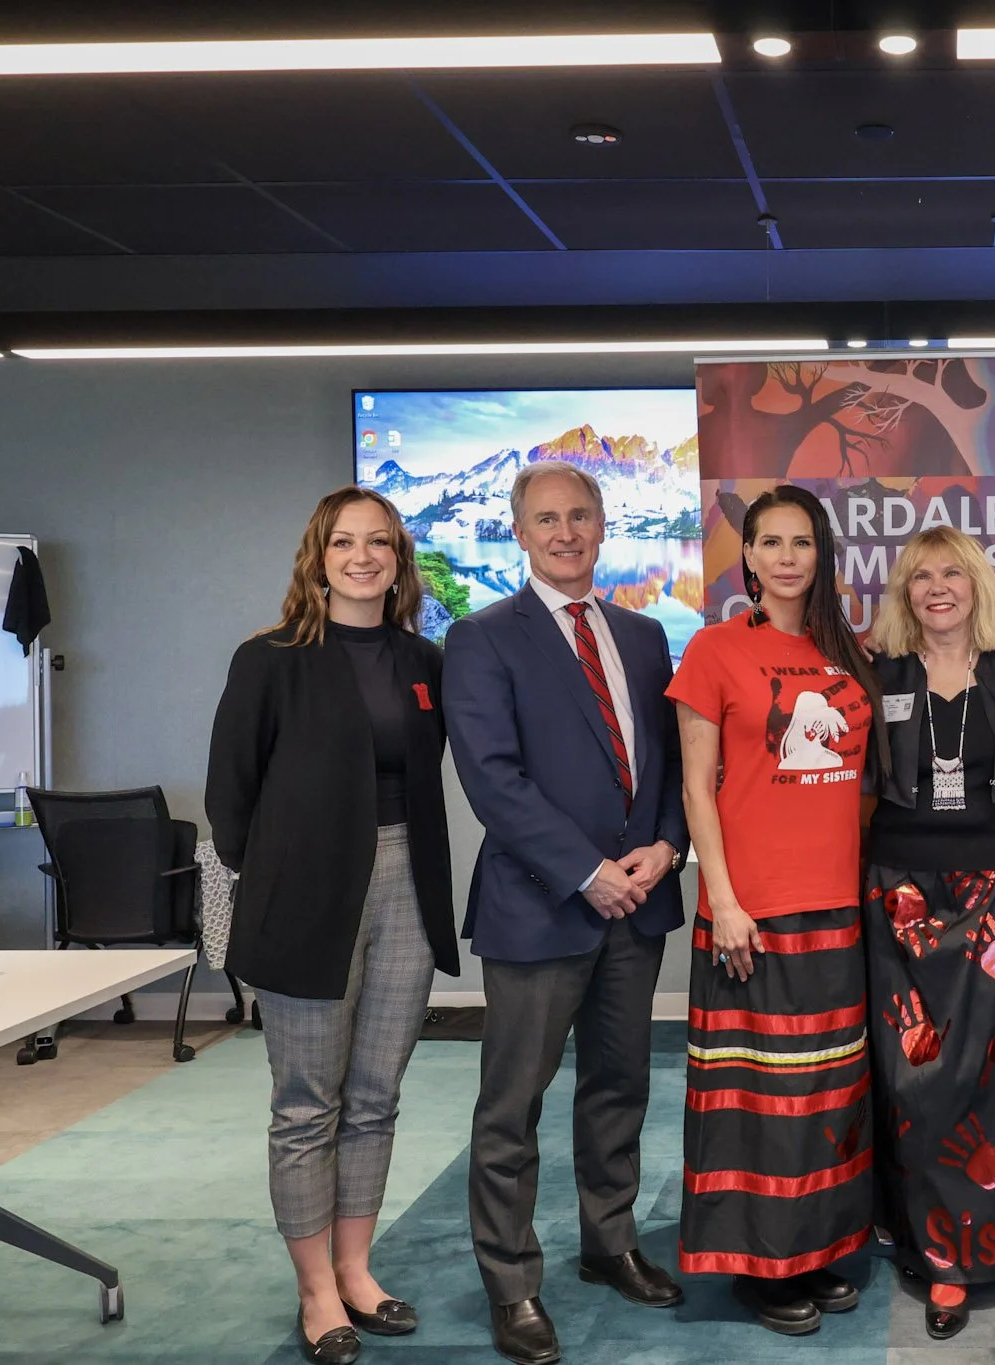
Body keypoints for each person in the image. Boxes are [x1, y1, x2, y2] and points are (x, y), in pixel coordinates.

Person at [207, 486, 460, 1365]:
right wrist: (283, 874)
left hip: (406, 887)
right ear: (318, 558)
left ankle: (356, 1267)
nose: (363, 557)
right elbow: (228, 801)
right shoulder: (269, 659)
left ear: (399, 560)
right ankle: (316, 1288)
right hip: (305, 892)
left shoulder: (423, 660)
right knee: (307, 1103)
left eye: (379, 543)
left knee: (377, 1094)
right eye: (345, 543)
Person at [444, 463, 689, 1365]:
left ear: (601, 522)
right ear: (519, 530)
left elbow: (665, 760)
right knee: (513, 1106)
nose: (565, 532)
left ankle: (609, 1241)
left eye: (580, 515)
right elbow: (492, 780)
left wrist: (666, 849)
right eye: (546, 518)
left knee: (621, 1087)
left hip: (639, 901)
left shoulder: (645, 633)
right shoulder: (481, 638)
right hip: (542, 907)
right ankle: (512, 1284)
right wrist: (587, 870)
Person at [666, 484, 884, 1337]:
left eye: (804, 541)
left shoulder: (847, 654)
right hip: (752, 907)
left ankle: (818, 1245)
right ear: (747, 556)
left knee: (827, 1091)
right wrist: (723, 898)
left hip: (838, 903)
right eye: (771, 541)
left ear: (821, 555)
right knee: (756, 1100)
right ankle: (759, 1267)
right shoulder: (716, 649)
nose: (788, 556)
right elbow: (696, 784)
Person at [863, 527, 995, 1341]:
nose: (937, 587)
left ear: (978, 583)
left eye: (953, 572)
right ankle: (931, 1243)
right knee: (914, 1075)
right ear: (903, 591)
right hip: (900, 889)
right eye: (921, 576)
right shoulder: (878, 669)